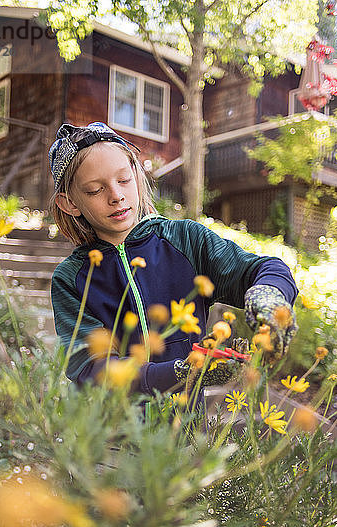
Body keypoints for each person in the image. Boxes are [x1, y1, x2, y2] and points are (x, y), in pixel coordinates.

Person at [48, 122, 298, 395]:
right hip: (112, 432)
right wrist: (180, 373)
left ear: (137, 174)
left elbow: (263, 268)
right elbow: (89, 369)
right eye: (95, 190)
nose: (116, 196)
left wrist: (269, 295)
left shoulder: (186, 240)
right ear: (70, 203)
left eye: (123, 180)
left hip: (186, 429)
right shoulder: (71, 279)